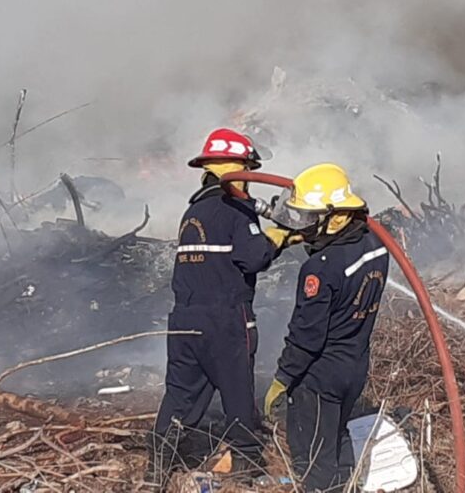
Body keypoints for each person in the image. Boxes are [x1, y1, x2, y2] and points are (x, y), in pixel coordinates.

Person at [148, 128, 292, 487]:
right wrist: (278, 238)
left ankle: (157, 466)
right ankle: (246, 464)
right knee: (237, 389)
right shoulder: (237, 209)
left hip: (184, 318)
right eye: (248, 169)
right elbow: (252, 258)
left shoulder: (192, 212)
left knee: (181, 393)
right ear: (239, 168)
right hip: (225, 317)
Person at [264, 163, 389, 492]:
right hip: (356, 365)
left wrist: (282, 379)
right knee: (338, 438)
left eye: (309, 220)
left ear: (335, 217)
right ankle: (346, 485)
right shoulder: (376, 245)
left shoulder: (318, 270)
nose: (303, 228)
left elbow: (307, 336)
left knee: (313, 456)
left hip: (320, 376)